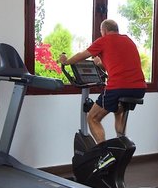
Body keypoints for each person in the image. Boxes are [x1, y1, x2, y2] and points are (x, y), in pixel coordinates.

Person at [59, 20, 147, 156]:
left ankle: (105, 155)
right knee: (118, 111)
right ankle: (121, 149)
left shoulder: (103, 40)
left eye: (101, 32)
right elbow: (118, 64)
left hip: (118, 87)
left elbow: (82, 55)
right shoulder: (128, 40)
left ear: (104, 31)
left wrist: (66, 61)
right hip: (139, 88)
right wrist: (100, 64)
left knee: (92, 118)